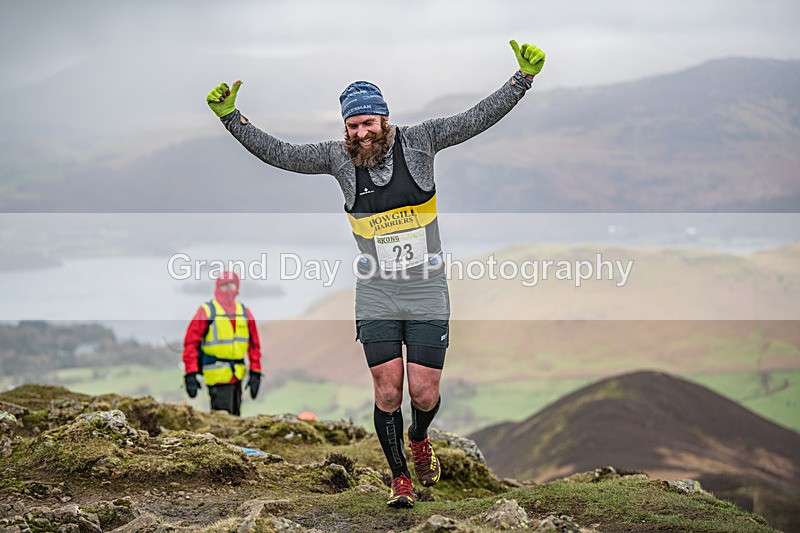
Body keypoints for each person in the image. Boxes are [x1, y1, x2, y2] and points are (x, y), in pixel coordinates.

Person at [205, 39, 545, 507]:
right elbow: (280, 153)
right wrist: (232, 119)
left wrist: (521, 80)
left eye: (368, 123)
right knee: (388, 392)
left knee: (423, 393)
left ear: (384, 119)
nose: (361, 133)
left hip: (426, 289)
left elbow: (475, 118)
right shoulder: (338, 158)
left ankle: (419, 438)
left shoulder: (421, 141)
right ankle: (400, 479)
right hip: (376, 292)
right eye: (352, 125)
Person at [182, 271, 263, 416]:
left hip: (237, 375)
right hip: (217, 377)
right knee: (223, 420)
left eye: (232, 283)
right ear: (218, 287)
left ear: (237, 286)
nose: (229, 287)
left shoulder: (244, 312)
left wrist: (255, 372)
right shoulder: (207, 311)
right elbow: (191, 343)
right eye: (224, 284)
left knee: (235, 419)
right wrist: (190, 374)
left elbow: (254, 346)